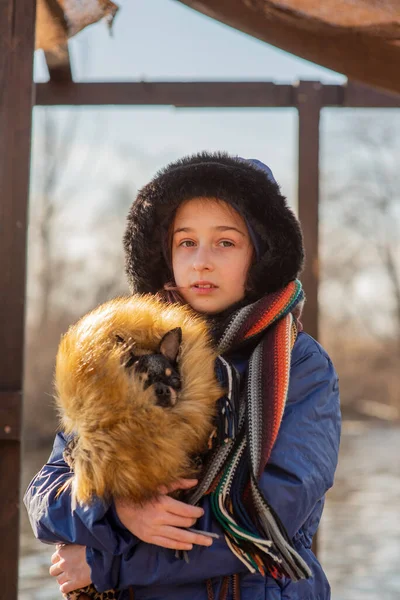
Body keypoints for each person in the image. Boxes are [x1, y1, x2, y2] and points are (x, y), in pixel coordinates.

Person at [24, 152, 341, 600]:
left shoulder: (300, 365)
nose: (201, 261)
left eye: (226, 243)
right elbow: (46, 491)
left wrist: (105, 561)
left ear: (261, 254)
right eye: (186, 242)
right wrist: (118, 511)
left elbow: (272, 516)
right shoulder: (123, 352)